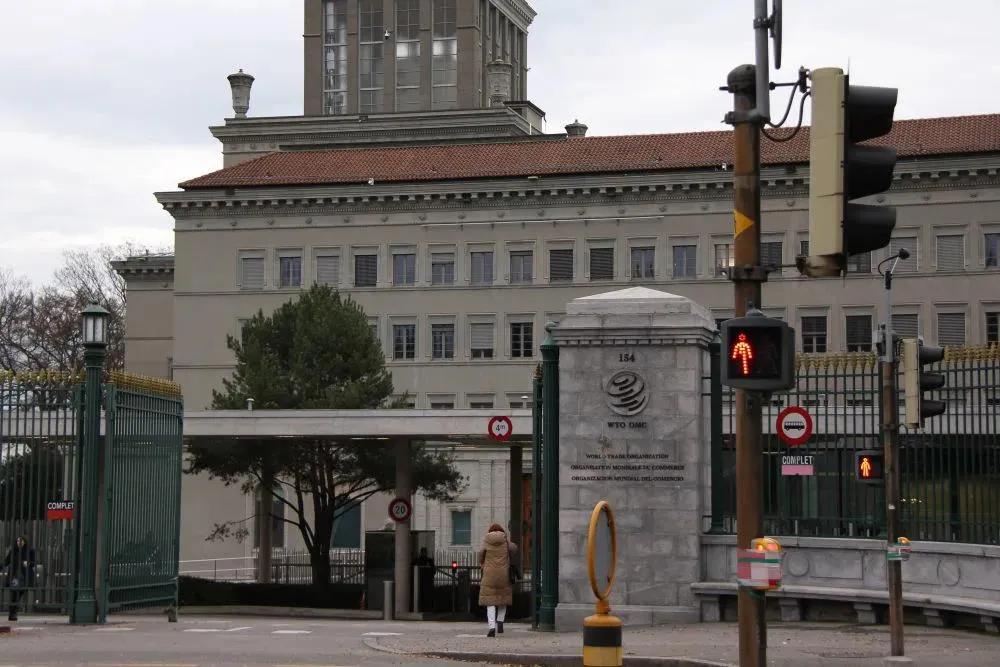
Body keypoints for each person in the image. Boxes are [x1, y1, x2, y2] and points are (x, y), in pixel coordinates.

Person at [477, 523, 517, 637]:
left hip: (489, 574)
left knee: (490, 602)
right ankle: (500, 621)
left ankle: (491, 627)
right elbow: (514, 549)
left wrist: (482, 563)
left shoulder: (487, 541)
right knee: (502, 599)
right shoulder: (505, 541)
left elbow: (480, 554)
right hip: (504, 574)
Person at [3, 535, 36, 622]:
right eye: (18, 541)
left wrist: (28, 563)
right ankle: (12, 614)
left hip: (24, 576)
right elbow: (6, 562)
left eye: (21, 541)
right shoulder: (13, 551)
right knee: (14, 595)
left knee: (19, 594)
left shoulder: (30, 551)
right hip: (14, 576)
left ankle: (13, 612)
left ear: (24, 542)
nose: (19, 543)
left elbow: (33, 563)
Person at [412, 547, 435, 611]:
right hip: (422, 581)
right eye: (424, 552)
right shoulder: (419, 560)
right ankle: (423, 607)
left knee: (424, 595)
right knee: (423, 595)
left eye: (425, 552)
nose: (424, 553)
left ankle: (425, 608)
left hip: (424, 581)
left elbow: (433, 570)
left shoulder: (428, 561)